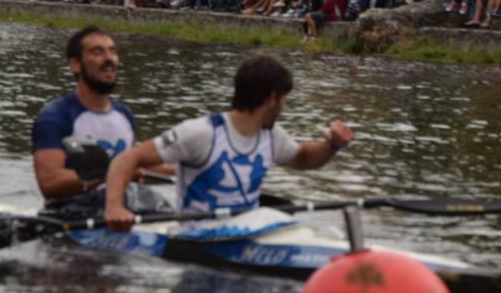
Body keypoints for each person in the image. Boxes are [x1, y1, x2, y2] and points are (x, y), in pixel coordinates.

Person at [102, 54, 354, 229]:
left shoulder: (272, 135)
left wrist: (332, 145)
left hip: (245, 230)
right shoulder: (200, 133)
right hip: (196, 238)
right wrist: (114, 207)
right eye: (285, 98)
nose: (285, 105)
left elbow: (303, 159)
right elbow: (128, 158)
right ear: (270, 98)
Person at [31, 26, 138, 200]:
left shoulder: (125, 114)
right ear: (75, 64)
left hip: (118, 212)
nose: (109, 59)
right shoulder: (55, 116)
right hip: (72, 216)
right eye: (97, 52)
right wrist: (115, 171)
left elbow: (138, 168)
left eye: (112, 51)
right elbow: (49, 183)